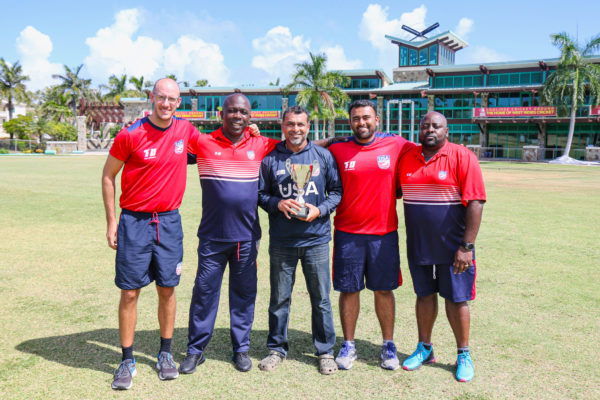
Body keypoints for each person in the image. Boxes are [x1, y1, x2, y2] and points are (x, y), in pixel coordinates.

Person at [101, 78, 199, 390]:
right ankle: (127, 359)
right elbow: (107, 176)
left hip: (169, 223)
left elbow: (217, 144)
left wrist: (252, 133)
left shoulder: (186, 131)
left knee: (167, 289)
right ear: (151, 97)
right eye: (161, 98)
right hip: (134, 223)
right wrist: (111, 221)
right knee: (130, 292)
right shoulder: (130, 134)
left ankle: (165, 354)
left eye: (172, 99)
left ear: (179, 102)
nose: (166, 104)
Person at [179, 93, 280, 374]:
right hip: (212, 237)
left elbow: (297, 147)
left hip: (246, 238)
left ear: (250, 118)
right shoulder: (202, 142)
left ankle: (241, 350)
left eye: (243, 112)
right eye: (232, 111)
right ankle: (195, 350)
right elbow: (170, 143)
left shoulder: (261, 144)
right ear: (221, 114)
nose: (237, 116)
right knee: (204, 294)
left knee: (244, 294)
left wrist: (334, 143)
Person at [398, 111, 486, 382]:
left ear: (446, 131)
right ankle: (424, 348)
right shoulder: (407, 157)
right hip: (419, 245)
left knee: (457, 299)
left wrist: (467, 246)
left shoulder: (462, 156)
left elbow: (476, 201)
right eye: (424, 126)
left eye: (436, 126)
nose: (429, 130)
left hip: (454, 249)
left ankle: (463, 354)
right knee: (424, 296)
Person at [328, 100, 414, 371]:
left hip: (383, 234)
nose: (361, 123)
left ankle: (388, 345)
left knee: (384, 290)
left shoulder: (396, 144)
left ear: (377, 119)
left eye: (366, 118)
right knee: (348, 290)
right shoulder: (338, 148)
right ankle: (349, 344)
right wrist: (333, 137)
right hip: (347, 233)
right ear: (349, 121)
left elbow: (428, 148)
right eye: (355, 119)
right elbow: (308, 145)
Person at [256, 106, 342, 375]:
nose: (296, 129)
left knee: (321, 298)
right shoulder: (271, 159)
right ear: (283, 126)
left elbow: (337, 191)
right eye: (290, 124)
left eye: (301, 125)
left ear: (308, 127)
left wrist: (320, 209)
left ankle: (325, 350)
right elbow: (260, 195)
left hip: (316, 239)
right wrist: (277, 203)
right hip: (282, 241)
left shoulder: (323, 156)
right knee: (280, 298)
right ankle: (276, 348)